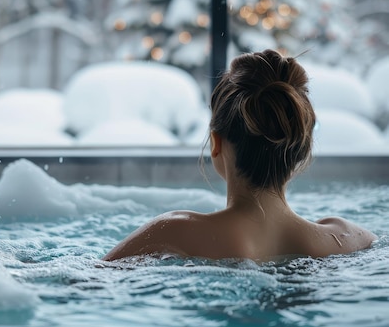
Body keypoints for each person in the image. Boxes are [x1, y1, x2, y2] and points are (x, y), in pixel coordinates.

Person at [103, 49, 377, 262]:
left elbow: (83, 282)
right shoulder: (345, 236)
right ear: (300, 152)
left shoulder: (175, 231)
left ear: (216, 143)